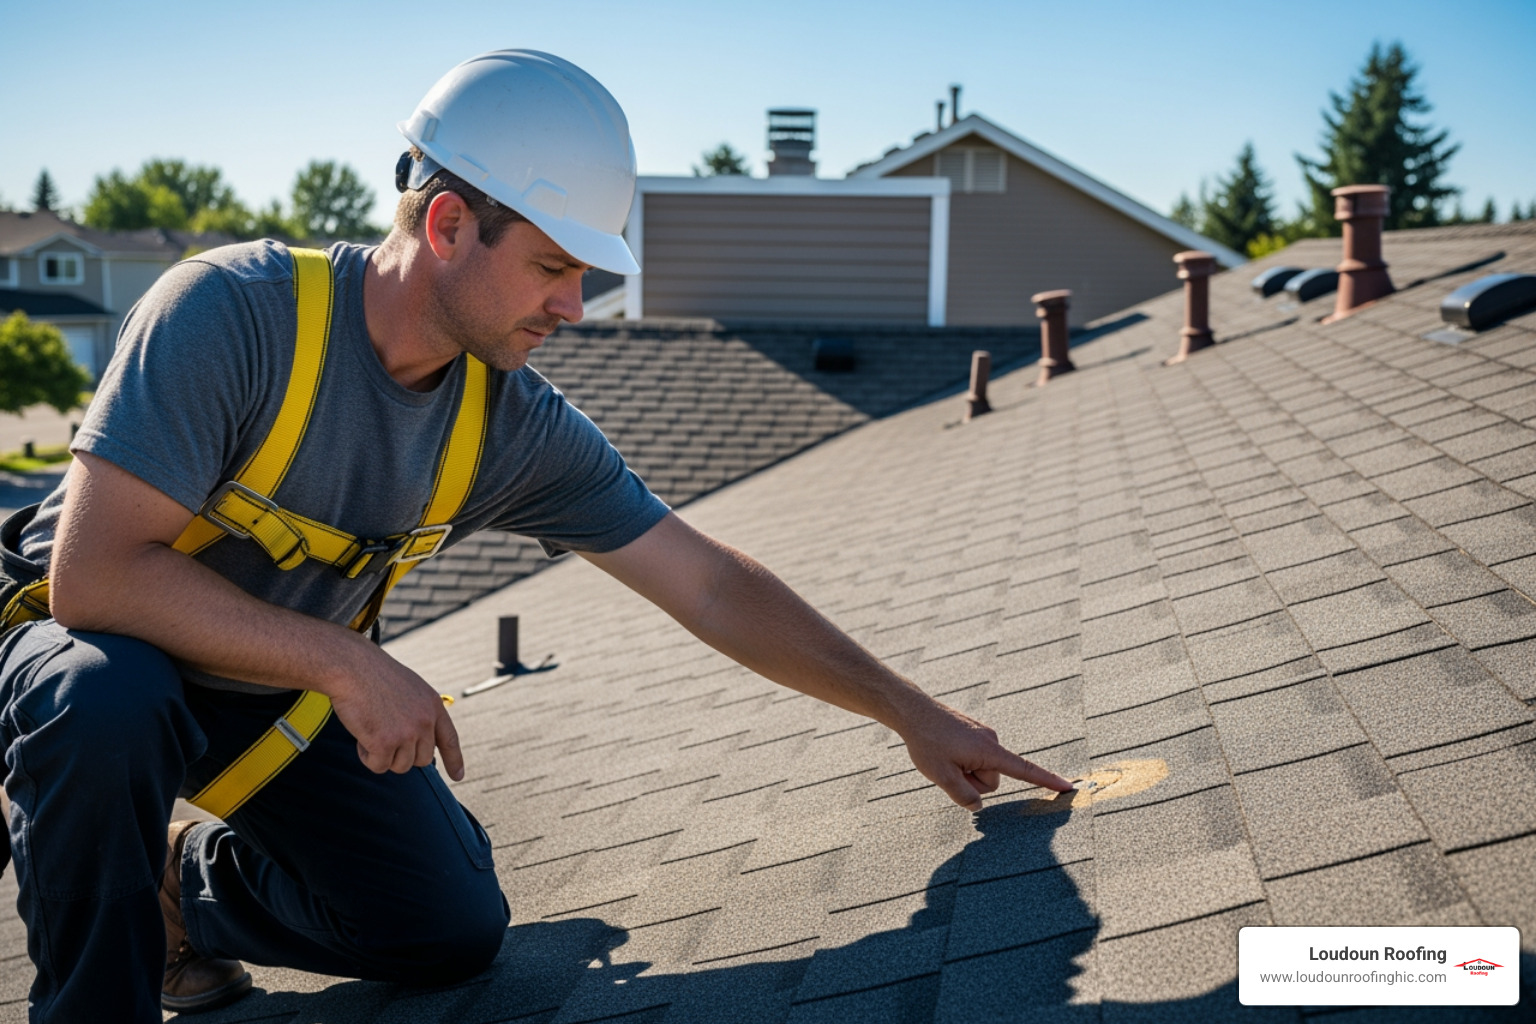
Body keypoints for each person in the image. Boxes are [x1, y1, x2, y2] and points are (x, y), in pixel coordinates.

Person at [0, 50, 1072, 1022]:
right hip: (89, 642)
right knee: (108, 696)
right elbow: (93, 580)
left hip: (260, 688)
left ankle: (181, 892)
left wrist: (910, 712)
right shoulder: (231, 316)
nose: (574, 307)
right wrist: (345, 659)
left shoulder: (507, 425)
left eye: (584, 278)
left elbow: (707, 584)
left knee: (445, 929)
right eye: (554, 268)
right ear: (448, 225)